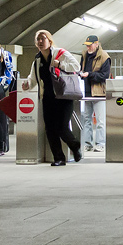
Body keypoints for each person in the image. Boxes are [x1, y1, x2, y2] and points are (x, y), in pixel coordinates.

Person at [22, 30, 82, 166]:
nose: (40, 41)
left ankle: (75, 145)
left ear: (50, 41)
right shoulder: (37, 60)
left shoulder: (60, 53)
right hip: (48, 98)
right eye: (38, 39)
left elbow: (76, 67)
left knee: (62, 127)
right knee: (50, 128)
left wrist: (60, 65)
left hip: (63, 97)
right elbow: (33, 78)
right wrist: (27, 85)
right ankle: (58, 158)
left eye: (43, 38)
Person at [78, 35, 112, 153]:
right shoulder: (84, 55)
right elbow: (81, 69)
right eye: (87, 45)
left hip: (99, 93)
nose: (88, 47)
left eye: (90, 45)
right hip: (86, 92)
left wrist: (90, 75)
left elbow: (104, 76)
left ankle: (100, 143)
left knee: (100, 120)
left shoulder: (104, 57)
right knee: (86, 119)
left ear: (97, 44)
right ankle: (87, 143)